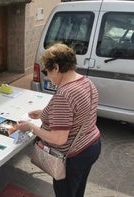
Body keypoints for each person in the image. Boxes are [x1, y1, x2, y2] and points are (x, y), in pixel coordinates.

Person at [17, 43, 101, 197]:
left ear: (55, 67)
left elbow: (59, 139)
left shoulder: (65, 94)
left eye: (46, 71)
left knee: (66, 193)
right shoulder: (85, 82)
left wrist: (30, 127)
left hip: (74, 156)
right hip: (92, 145)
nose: (46, 75)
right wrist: (45, 113)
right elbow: (79, 113)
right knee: (77, 189)